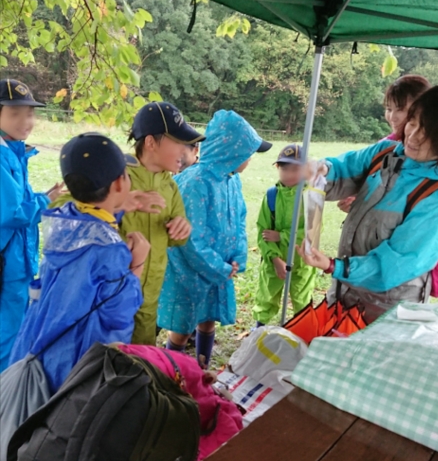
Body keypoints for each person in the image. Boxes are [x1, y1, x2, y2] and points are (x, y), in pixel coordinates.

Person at [10, 133, 148, 393]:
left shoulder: (63, 222)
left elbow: (91, 219)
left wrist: (118, 207)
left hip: (39, 352)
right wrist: (136, 265)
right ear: (119, 183)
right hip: (77, 368)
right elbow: (118, 317)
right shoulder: (109, 250)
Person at [298, 85, 438, 322]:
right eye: (413, 122)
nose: (413, 135)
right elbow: (346, 167)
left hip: (387, 310)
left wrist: (335, 267)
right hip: (343, 292)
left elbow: (395, 265)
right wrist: (321, 170)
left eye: (428, 132)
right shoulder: (387, 153)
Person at [157, 109, 272, 367]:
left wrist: (236, 260)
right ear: (231, 150)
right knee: (183, 326)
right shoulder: (196, 182)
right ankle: (171, 376)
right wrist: (219, 267)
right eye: (248, 154)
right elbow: (189, 239)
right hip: (191, 272)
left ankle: (201, 371)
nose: (250, 159)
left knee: (208, 319)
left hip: (219, 270)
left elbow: (239, 219)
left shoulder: (231, 180)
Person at [121, 102, 203, 345]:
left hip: (149, 299)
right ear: (150, 143)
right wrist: (121, 203)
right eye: (179, 142)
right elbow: (67, 207)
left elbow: (178, 237)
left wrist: (182, 227)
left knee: (141, 363)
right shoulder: (115, 172)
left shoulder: (170, 186)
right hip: (111, 296)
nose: (186, 150)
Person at [0, 79, 65, 371]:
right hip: (7, 263)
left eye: (29, 113)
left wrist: (41, 197)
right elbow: (12, 212)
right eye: (15, 113)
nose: (26, 121)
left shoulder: (14, 150)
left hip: (17, 259)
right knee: (7, 336)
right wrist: (46, 201)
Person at [338, 74, 431, 214]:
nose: (392, 117)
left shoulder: (432, 150)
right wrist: (357, 200)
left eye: (400, 109)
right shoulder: (385, 147)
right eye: (389, 109)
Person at [253, 144, 316, 326]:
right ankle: (259, 328)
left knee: (302, 300)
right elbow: (263, 231)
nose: (288, 174)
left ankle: (303, 332)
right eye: (284, 168)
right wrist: (274, 258)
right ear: (277, 168)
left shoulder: (311, 196)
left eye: (295, 169)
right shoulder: (272, 195)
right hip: (275, 261)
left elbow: (313, 232)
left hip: (302, 261)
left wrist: (282, 236)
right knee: (266, 296)